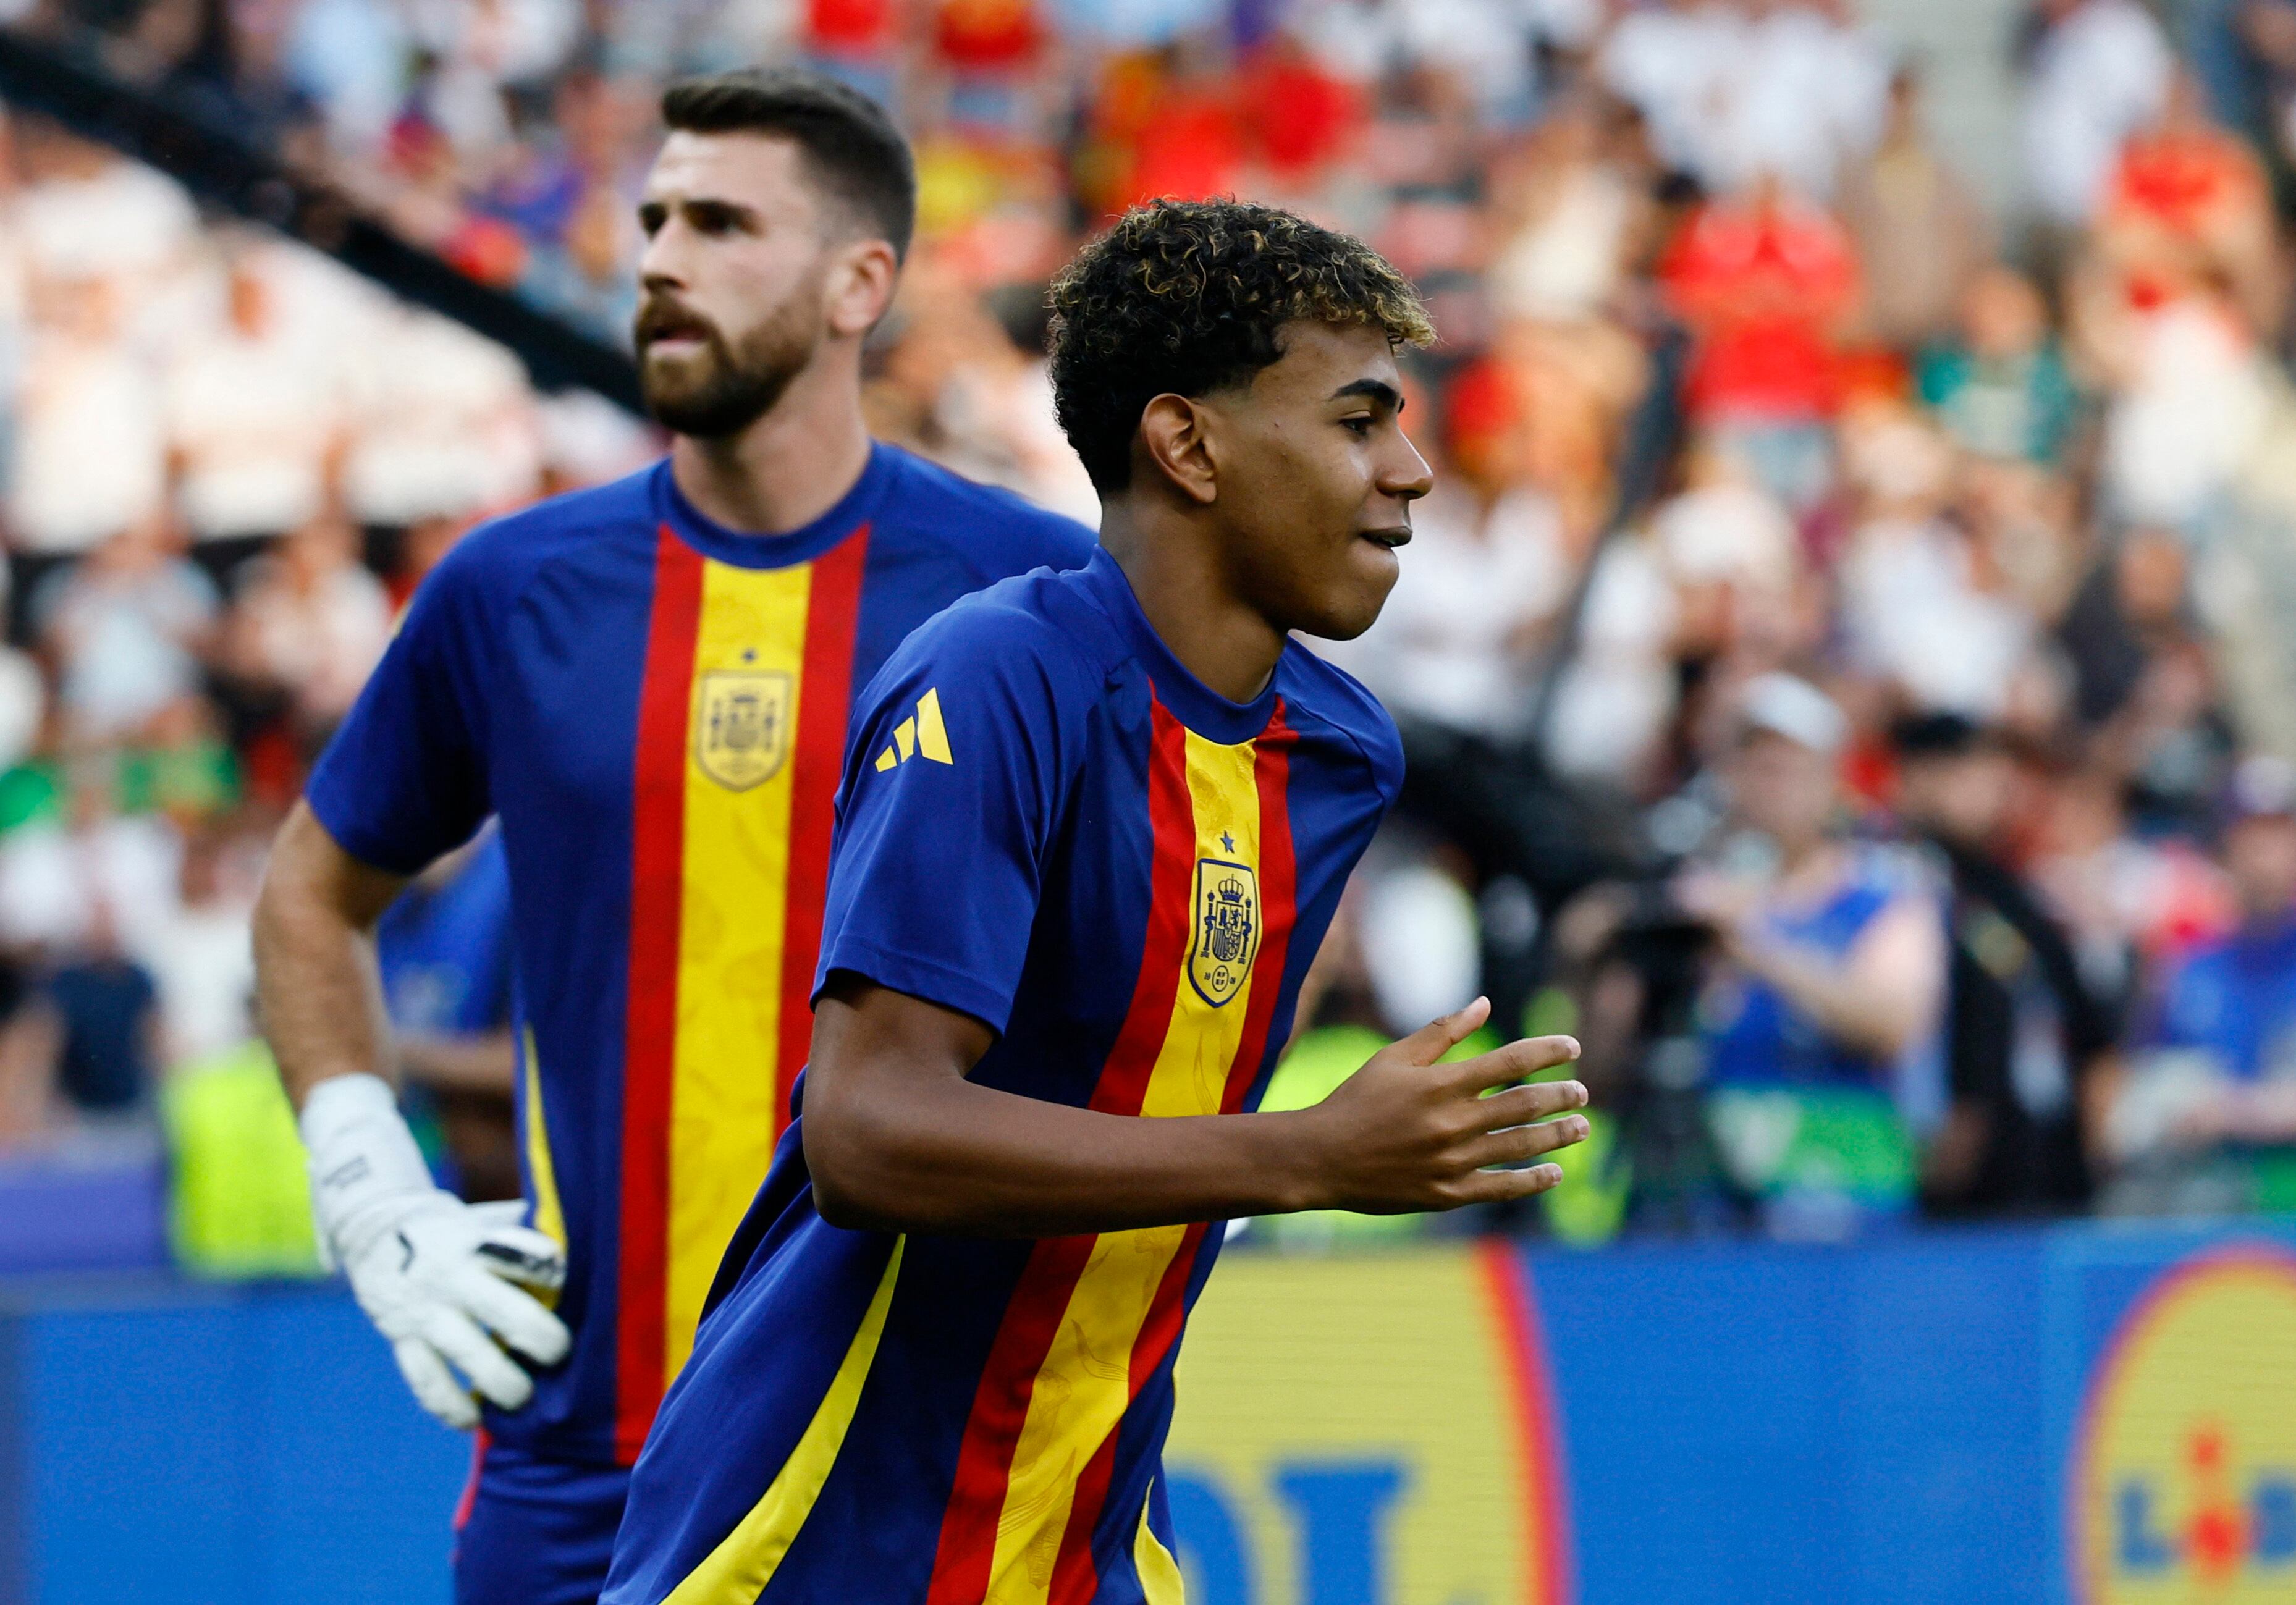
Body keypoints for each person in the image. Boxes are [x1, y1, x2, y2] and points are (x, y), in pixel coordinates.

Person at [601, 198, 1590, 1605]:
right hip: (817, 1540)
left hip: (1086, 1536)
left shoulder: (1337, 757)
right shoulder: (998, 679)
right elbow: (868, 1130)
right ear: (1185, 443)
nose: (1412, 470)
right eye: (1358, 419)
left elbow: (1149, 1132)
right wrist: (1304, 1157)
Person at [250, 67, 1095, 1605]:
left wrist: (1171, 1183)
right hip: (584, 1466)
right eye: (650, 221)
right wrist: (367, 1189)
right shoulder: (511, 590)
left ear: (861, 283)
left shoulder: (1035, 597)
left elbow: (1206, 888)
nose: (658, 258)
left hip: (913, 1460)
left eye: (719, 223)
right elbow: (311, 892)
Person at [1674, 673, 1946, 1236]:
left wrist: (1759, 949)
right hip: (1716, 1202)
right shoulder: (1701, 892)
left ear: (1831, 779)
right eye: (1755, 766)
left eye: (1788, 768)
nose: (1769, 786)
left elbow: (1894, 1022)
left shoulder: (1884, 894)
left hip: (1845, 1202)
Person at [1892, 712, 2114, 1215]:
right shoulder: (1897, 884)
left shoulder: (2014, 896)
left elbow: (2089, 1032)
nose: (1990, 787)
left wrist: (2096, 1149)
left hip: (2048, 1169)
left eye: (1993, 771)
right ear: (1915, 778)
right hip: (1949, 1181)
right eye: (1966, 771)